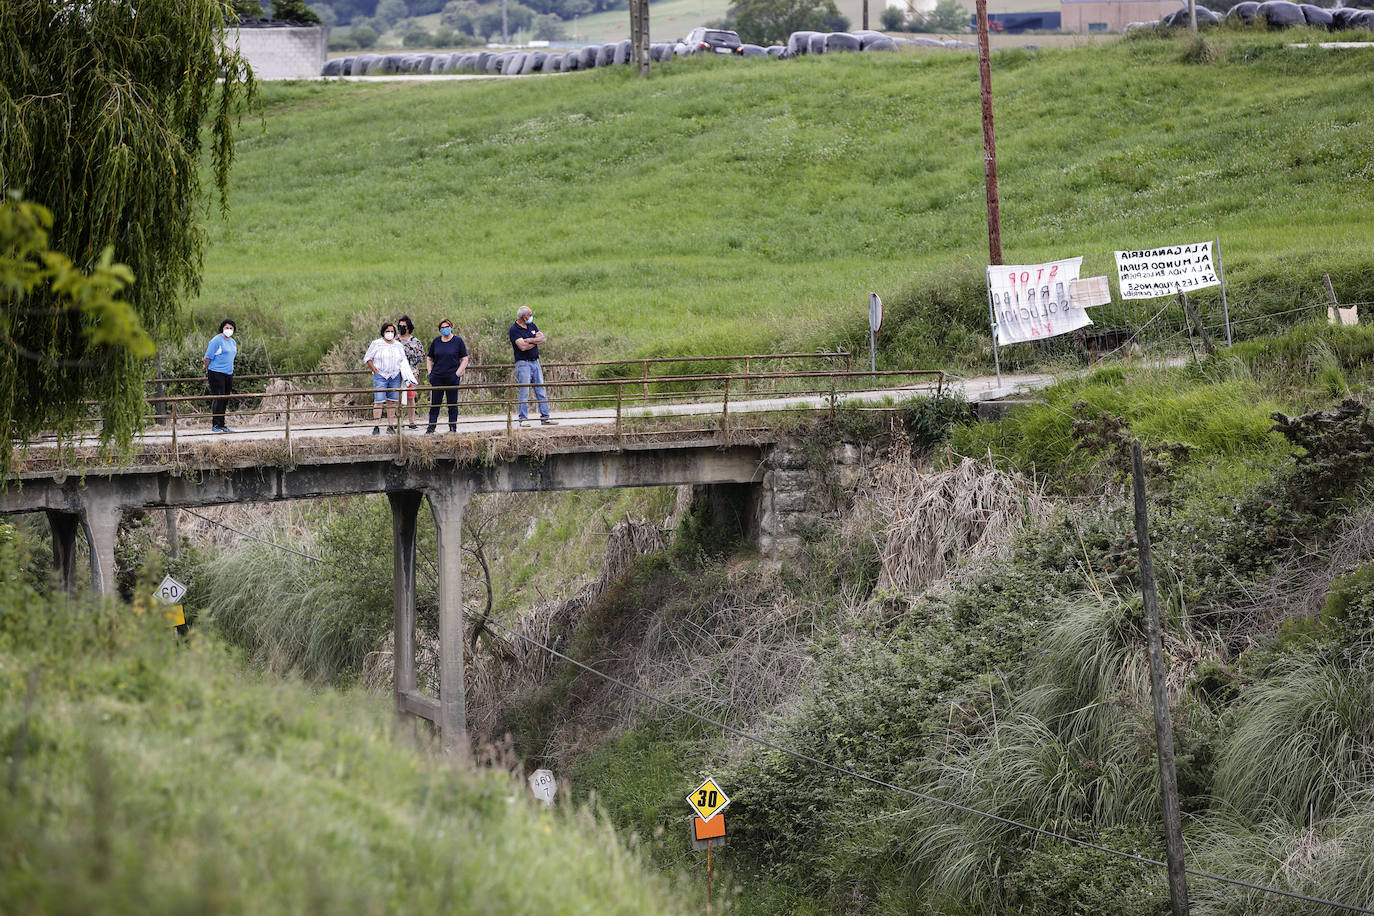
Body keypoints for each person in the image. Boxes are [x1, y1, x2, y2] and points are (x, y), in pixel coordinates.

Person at [364, 321, 413, 435]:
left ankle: (390, 425)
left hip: (395, 375)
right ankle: (376, 426)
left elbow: (403, 360)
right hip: (381, 375)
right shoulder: (376, 344)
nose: (389, 333)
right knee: (379, 401)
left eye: (392, 331)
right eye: (387, 331)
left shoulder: (398, 345)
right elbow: (368, 358)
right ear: (383, 332)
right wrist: (375, 371)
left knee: (392, 402)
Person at [509, 305, 555, 426]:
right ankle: (523, 419)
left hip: (535, 362)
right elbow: (522, 347)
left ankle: (545, 417)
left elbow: (543, 339)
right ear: (523, 317)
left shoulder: (532, 325)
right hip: (523, 363)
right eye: (530, 314)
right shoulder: (514, 329)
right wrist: (535, 340)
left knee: (541, 390)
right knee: (524, 391)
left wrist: (529, 340)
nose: (531, 317)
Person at [426, 318, 469, 434]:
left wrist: (457, 373)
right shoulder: (436, 342)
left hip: (452, 377)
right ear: (440, 329)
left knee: (452, 404)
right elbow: (429, 358)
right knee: (435, 404)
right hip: (437, 377)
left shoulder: (458, 341)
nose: (445, 329)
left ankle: (452, 428)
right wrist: (430, 372)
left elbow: (464, 358)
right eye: (442, 328)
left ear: (451, 327)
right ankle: (431, 428)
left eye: (447, 327)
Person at [203, 318, 237, 433]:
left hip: (228, 373)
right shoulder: (216, 340)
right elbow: (207, 358)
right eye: (227, 328)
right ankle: (215, 424)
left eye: (231, 328)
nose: (229, 330)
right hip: (216, 372)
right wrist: (208, 370)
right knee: (219, 397)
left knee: (225, 398)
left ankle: (222, 424)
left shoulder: (232, 342)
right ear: (222, 328)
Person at [396, 314, 425, 429]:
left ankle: (411, 421)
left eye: (404, 326)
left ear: (409, 327)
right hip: (397, 372)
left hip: (411, 372)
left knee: (410, 397)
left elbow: (421, 356)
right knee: (397, 397)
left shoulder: (415, 342)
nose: (401, 328)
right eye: (400, 325)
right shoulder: (394, 340)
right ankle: (399, 421)